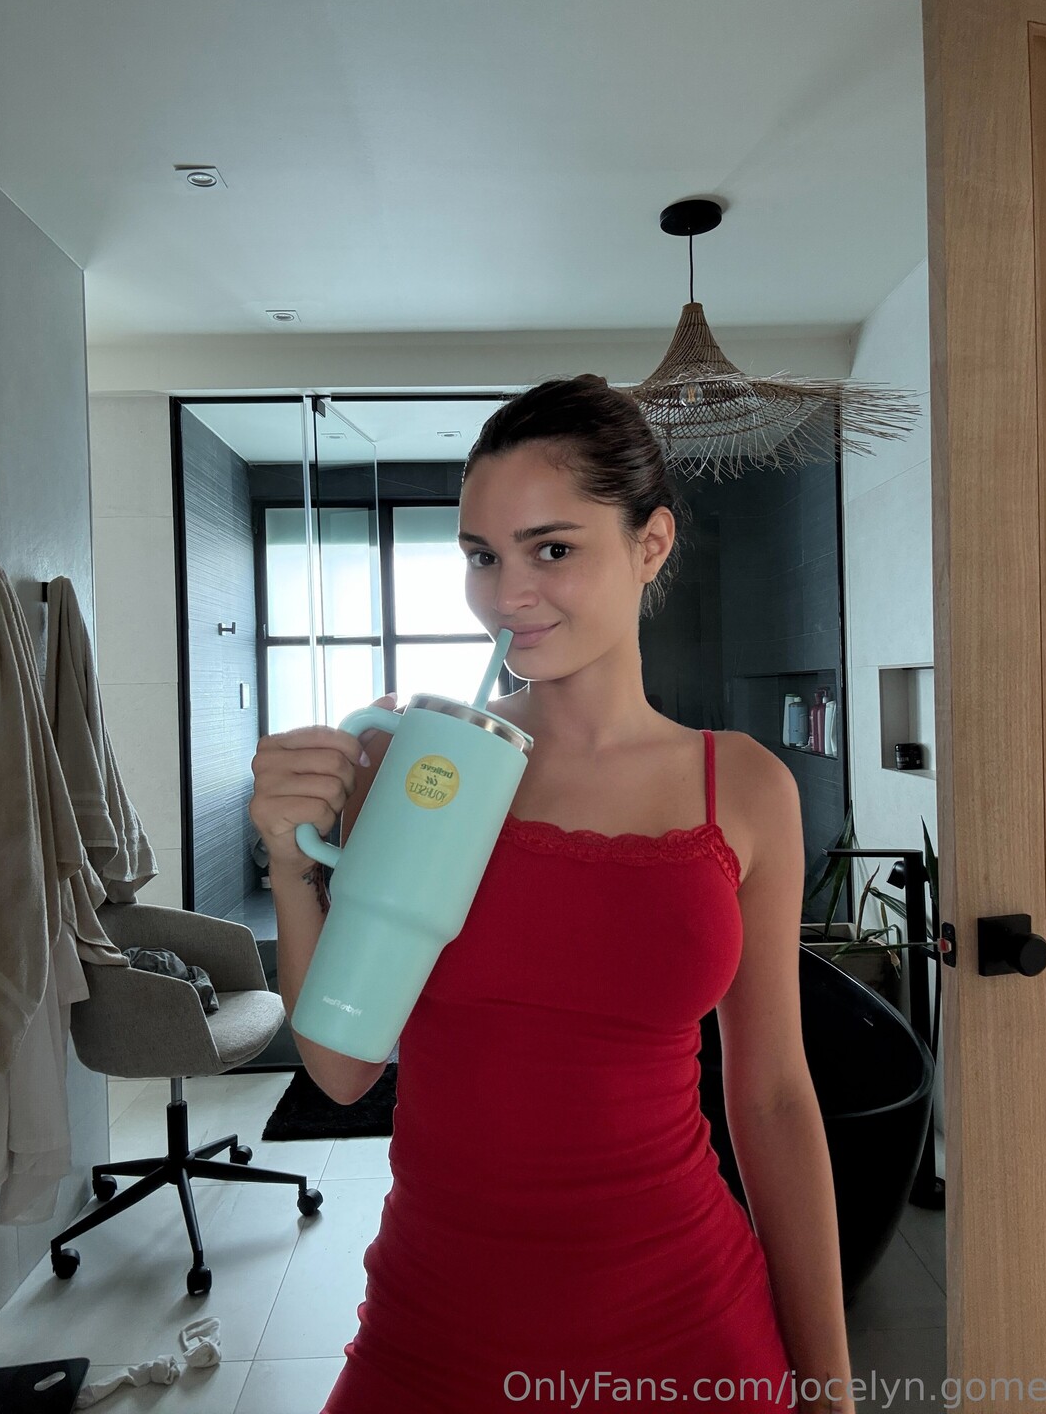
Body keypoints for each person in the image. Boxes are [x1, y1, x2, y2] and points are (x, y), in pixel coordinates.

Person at [249, 375, 856, 1414]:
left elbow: (771, 1099)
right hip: (435, 1335)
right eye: (483, 556)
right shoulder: (414, 765)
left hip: (692, 1332)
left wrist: (831, 1389)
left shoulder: (745, 787)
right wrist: (291, 859)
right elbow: (343, 1071)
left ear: (650, 545)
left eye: (553, 550)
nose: (504, 595)